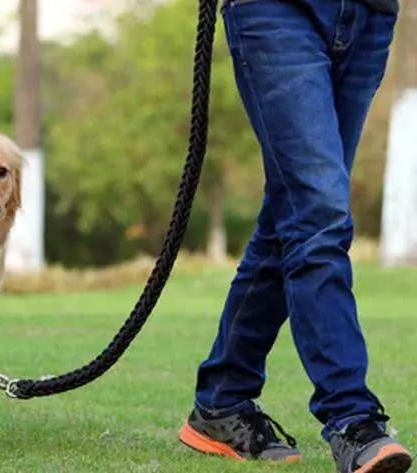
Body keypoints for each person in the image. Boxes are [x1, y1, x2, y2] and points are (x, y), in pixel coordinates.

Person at [178, 1, 414, 472]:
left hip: (370, 15)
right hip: (276, 10)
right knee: (318, 212)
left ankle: (222, 402)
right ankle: (352, 417)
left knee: (295, 212)